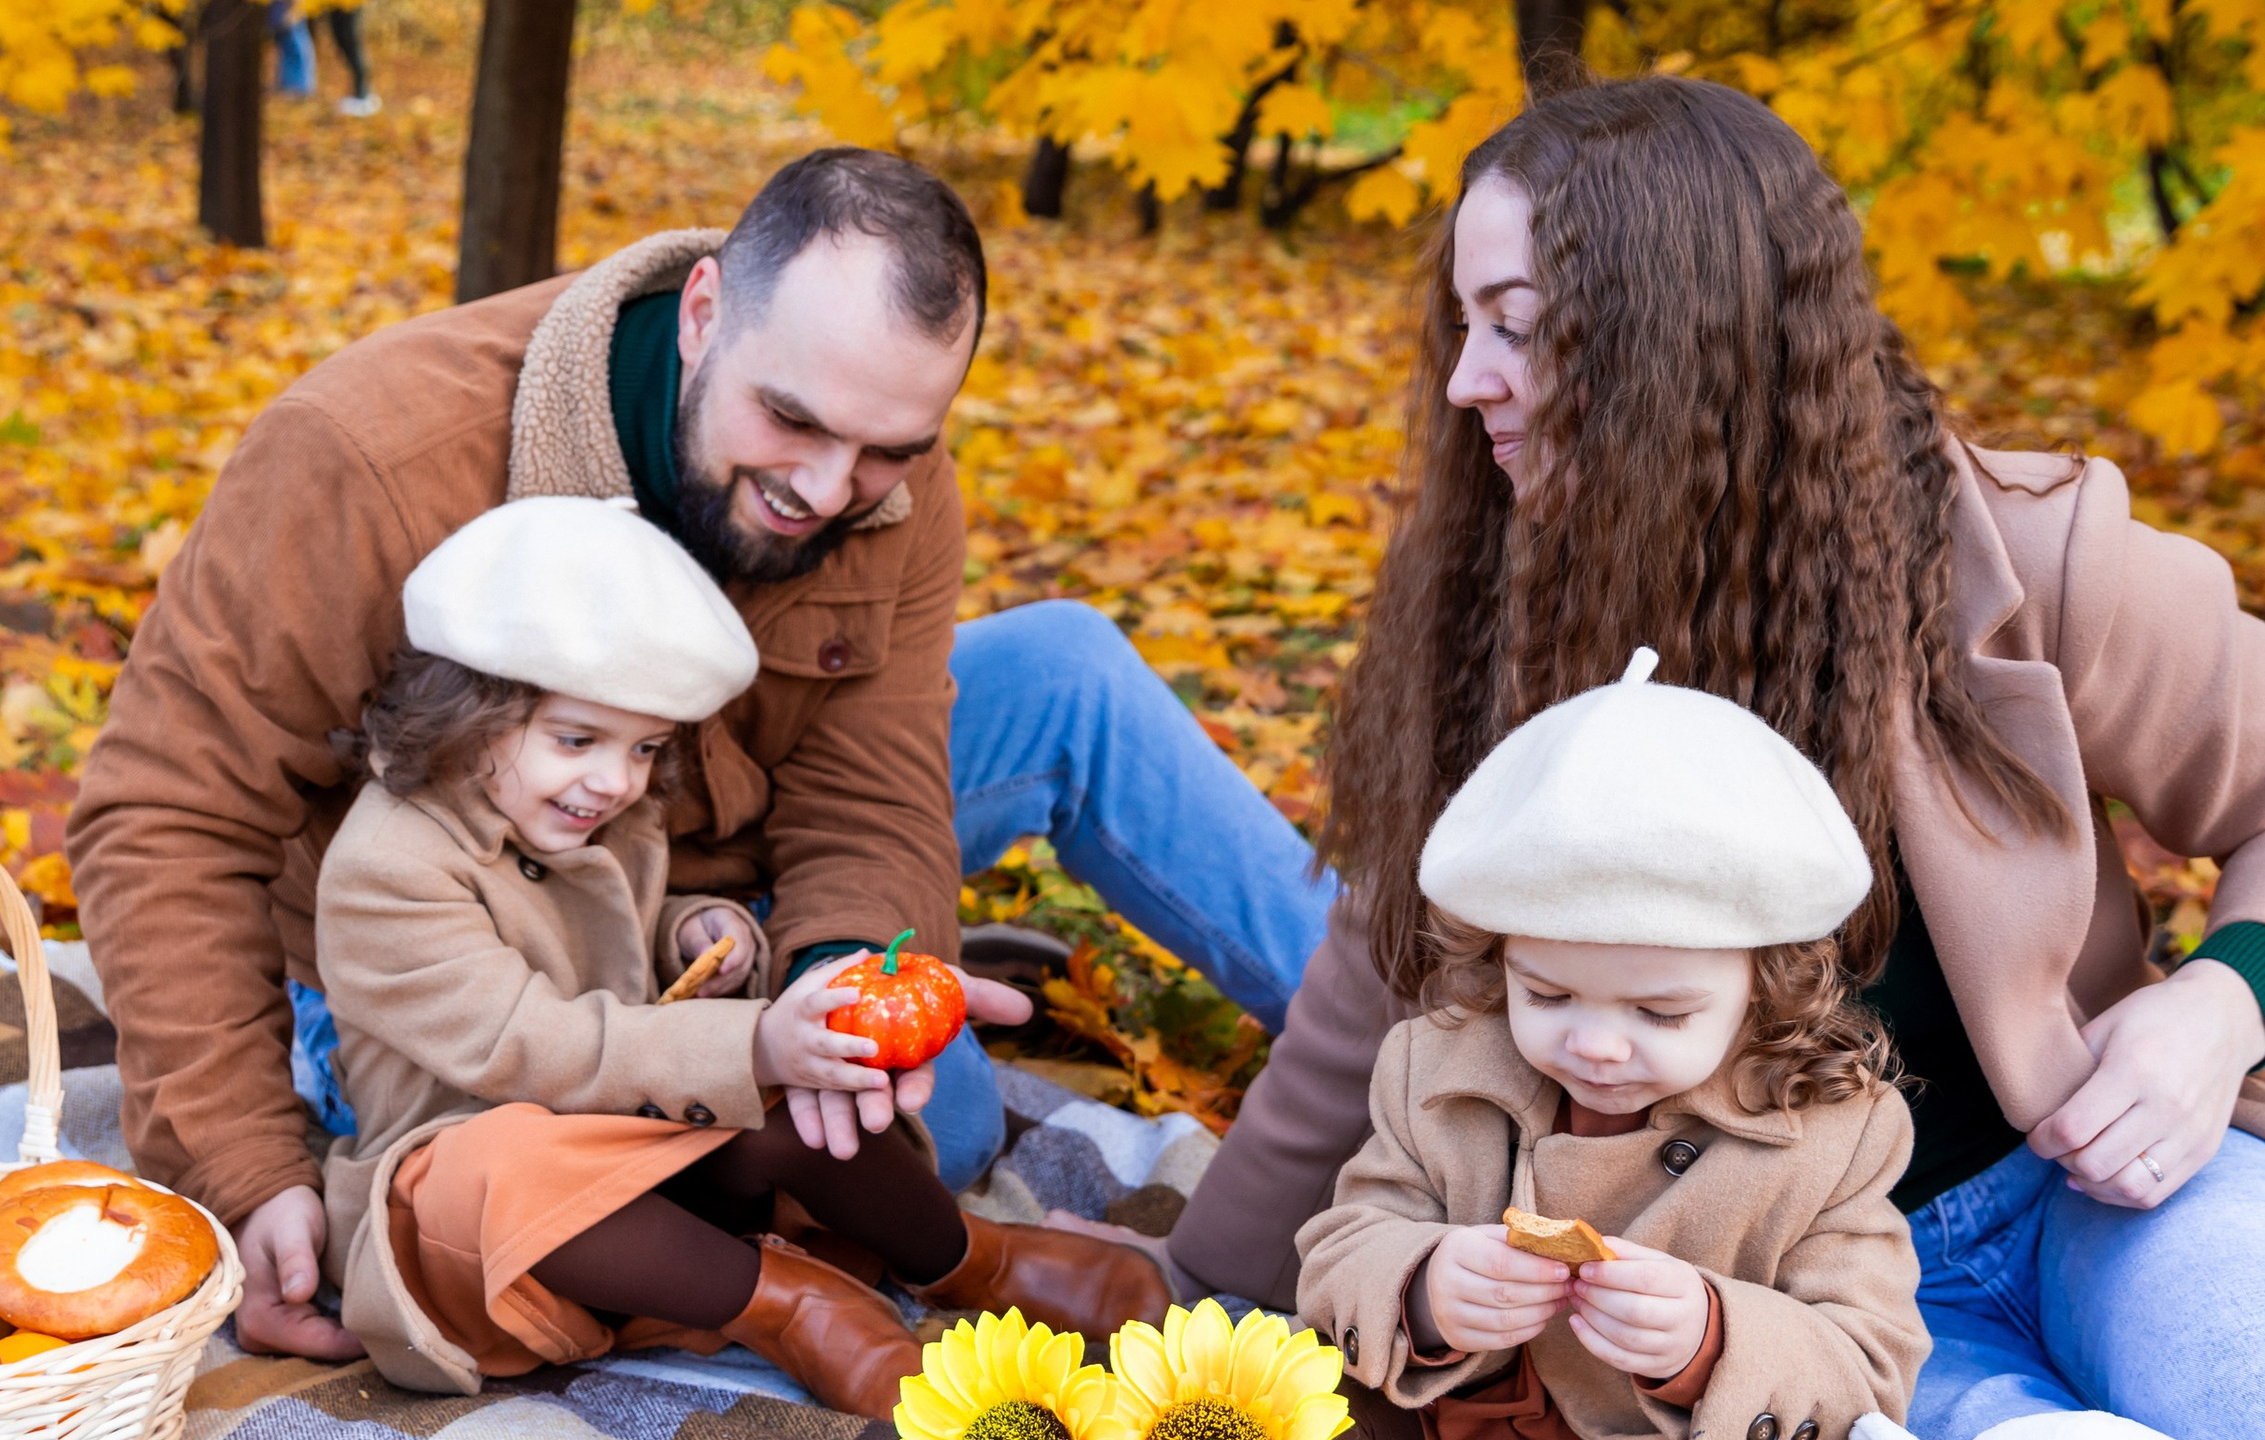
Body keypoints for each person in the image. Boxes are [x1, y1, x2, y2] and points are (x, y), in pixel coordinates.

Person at [66, 146, 1333, 1363]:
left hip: (704, 900)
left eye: (891, 449)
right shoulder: (367, 458)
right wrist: (241, 1169)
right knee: (934, 1138)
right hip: (465, 954)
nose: (832, 491)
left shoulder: (883, 473)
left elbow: (874, 783)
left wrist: (843, 992)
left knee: (1061, 668)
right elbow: (165, 815)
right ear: (703, 311)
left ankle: (1401, 1035)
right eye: (791, 421)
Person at [1169, 76, 2265, 1440]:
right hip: (1767, 1296)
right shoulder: (1491, 620)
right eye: (1464, 325)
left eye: (1514, 327)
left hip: (2096, 1193)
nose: (1465, 379)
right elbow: (1378, 987)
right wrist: (1199, 1304)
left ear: (1680, 336)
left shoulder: (2026, 558)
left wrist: (2229, 996)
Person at [313, 497, 1164, 1414]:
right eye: (576, 740)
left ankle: (962, 1259)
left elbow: (613, 931)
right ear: (467, 711)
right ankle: (790, 1306)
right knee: (494, 1166)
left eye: (644, 748)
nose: (615, 779)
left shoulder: (587, 808)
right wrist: (748, 1040)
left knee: (800, 1097)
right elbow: (525, 1042)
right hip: (487, 1220)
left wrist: (695, 929)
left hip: (632, 1148)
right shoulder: (383, 869)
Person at [1298, 648, 1925, 1439]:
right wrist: (1422, 1291)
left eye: (1660, 1014)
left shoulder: (1831, 1135)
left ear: (1768, 988)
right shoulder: (1435, 1071)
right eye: (1547, 995)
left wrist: (1712, 1338)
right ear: (1498, 958)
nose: (1594, 1045)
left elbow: (1870, 1362)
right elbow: (1341, 1250)